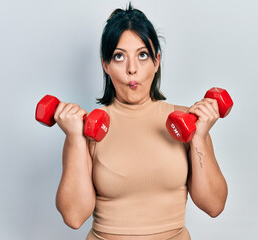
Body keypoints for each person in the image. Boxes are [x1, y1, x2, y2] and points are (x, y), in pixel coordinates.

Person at [53, 3, 228, 240]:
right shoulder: (86, 129)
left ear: (156, 61)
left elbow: (213, 205)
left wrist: (199, 136)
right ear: (105, 65)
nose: (131, 70)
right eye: (119, 56)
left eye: (142, 55)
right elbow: (74, 217)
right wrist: (74, 138)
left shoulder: (187, 121)